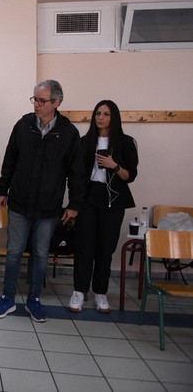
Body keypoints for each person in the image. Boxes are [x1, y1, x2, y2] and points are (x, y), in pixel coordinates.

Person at [0, 80, 85, 323]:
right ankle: (7, 297)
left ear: (57, 102)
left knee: (41, 254)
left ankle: (34, 299)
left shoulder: (68, 133)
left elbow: (76, 172)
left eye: (42, 101)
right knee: (14, 252)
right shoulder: (23, 126)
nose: (37, 105)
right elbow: (10, 159)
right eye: (35, 99)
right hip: (19, 202)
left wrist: (74, 204)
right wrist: (2, 188)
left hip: (49, 207)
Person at [68, 100, 138, 314]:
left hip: (113, 200)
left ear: (113, 117)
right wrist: (74, 203)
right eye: (98, 113)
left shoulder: (126, 142)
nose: (101, 118)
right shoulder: (84, 142)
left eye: (106, 114)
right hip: (88, 198)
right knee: (84, 247)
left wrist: (113, 165)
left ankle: (100, 292)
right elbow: (75, 175)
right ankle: (79, 291)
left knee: (105, 248)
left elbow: (130, 176)